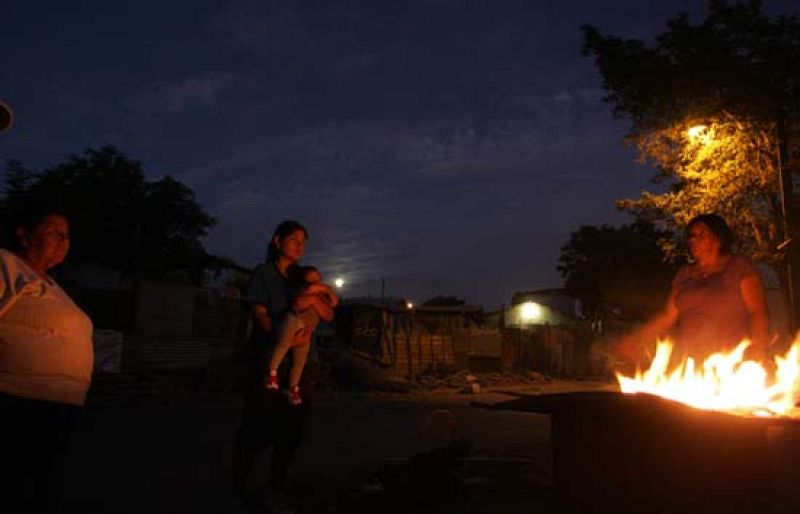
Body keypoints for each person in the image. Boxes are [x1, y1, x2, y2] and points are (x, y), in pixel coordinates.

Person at [230, 220, 333, 513]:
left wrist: (308, 331)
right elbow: (260, 315)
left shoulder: (305, 278)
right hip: (269, 361)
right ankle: (238, 491)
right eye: (294, 239)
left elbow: (325, 312)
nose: (300, 245)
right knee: (255, 428)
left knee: (291, 432)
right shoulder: (263, 274)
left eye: (304, 240)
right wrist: (284, 333)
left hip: (301, 365)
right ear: (277, 241)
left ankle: (276, 491)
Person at [0, 206, 94, 514]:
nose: (64, 240)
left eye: (67, 236)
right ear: (24, 235)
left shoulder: (54, 286)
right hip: (17, 401)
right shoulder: (7, 265)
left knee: (43, 490)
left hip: (57, 407)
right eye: (55, 232)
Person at [616, 213, 769, 363]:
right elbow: (667, 316)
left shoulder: (738, 266)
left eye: (702, 234)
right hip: (692, 359)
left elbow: (757, 310)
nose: (694, 239)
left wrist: (758, 347)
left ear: (718, 239)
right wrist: (637, 339)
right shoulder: (685, 274)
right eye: (692, 235)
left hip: (730, 359)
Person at [266, 265, 338, 406]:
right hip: (295, 323)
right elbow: (306, 296)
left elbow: (332, 307)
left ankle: (293, 387)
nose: (317, 284)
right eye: (311, 281)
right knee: (284, 342)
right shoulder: (302, 292)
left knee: (299, 361)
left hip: (306, 331)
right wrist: (320, 291)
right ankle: (272, 372)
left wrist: (326, 290)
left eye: (318, 280)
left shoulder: (321, 296)